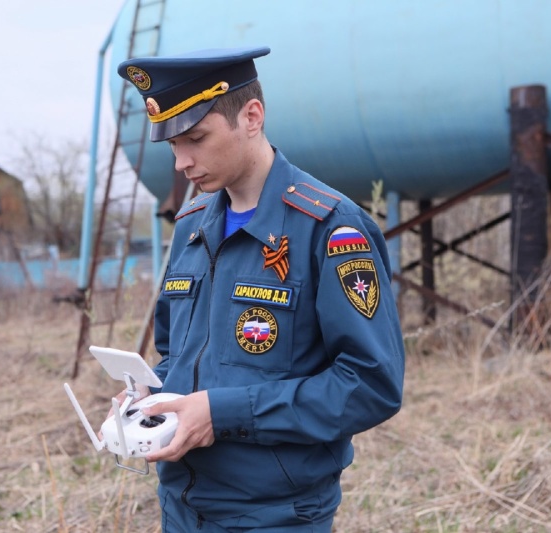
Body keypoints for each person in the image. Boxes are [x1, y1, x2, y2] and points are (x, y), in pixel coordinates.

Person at [114, 46, 405, 531]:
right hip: (181, 506)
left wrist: (221, 412)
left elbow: (370, 386)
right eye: (172, 146)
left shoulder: (331, 230)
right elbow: (179, 354)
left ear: (251, 116)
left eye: (197, 138)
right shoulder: (191, 226)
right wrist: (149, 394)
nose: (183, 161)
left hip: (274, 515)